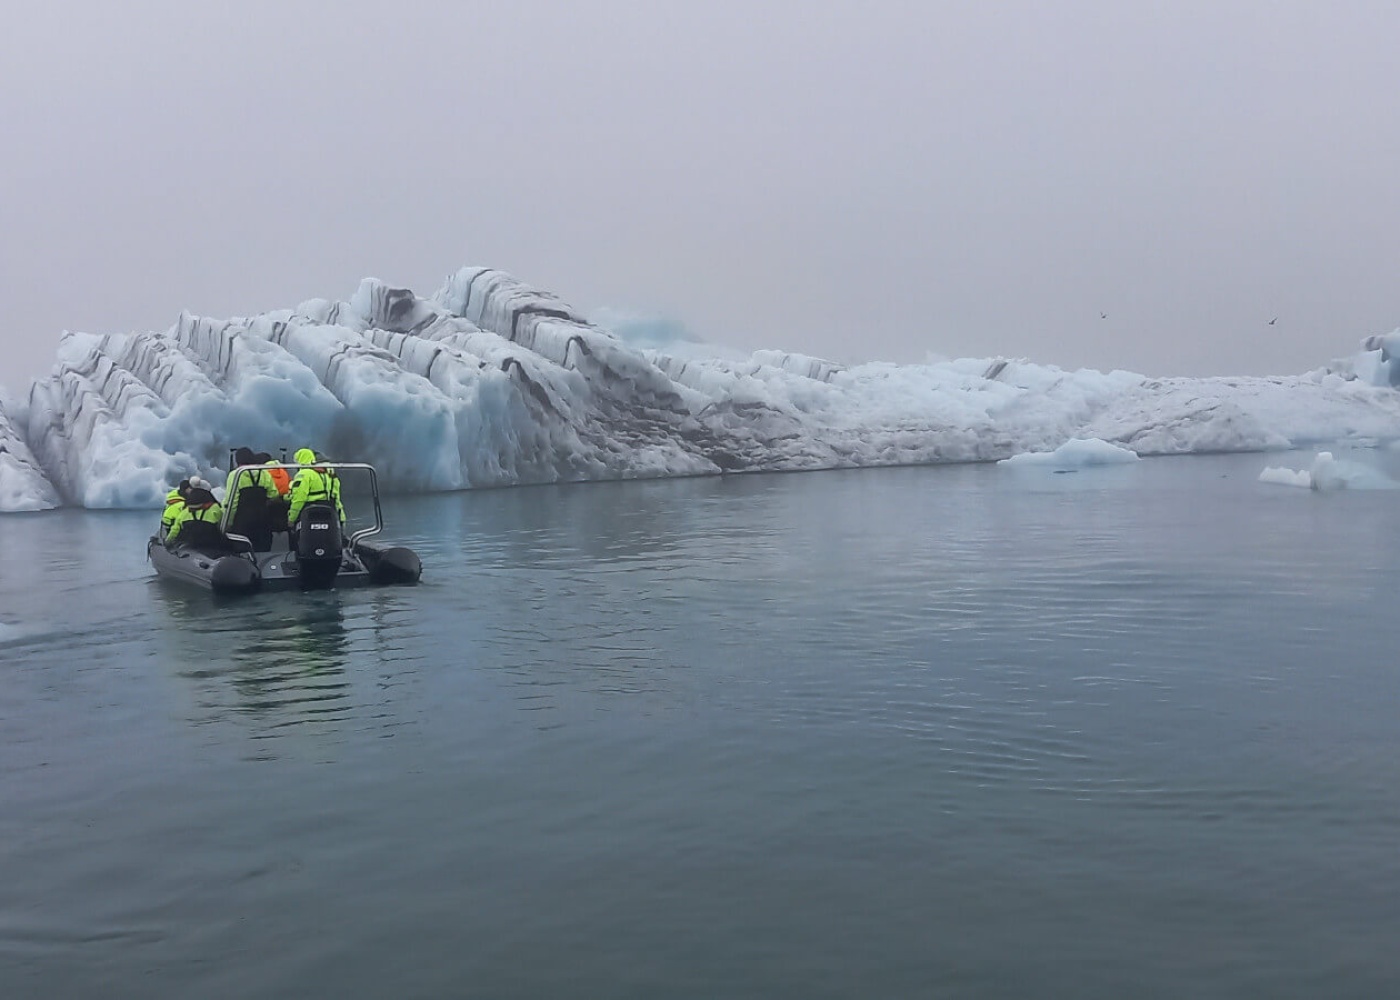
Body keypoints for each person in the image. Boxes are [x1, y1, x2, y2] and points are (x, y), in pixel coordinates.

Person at [224, 446, 282, 550]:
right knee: (263, 551)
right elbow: (274, 495)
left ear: (238, 461)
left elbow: (231, 503)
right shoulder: (264, 473)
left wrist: (228, 523)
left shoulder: (235, 475)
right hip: (263, 519)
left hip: (242, 522)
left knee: (242, 552)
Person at [286, 447, 346, 530]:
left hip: (309, 514)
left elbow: (299, 499)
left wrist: (291, 519)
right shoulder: (330, 474)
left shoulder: (304, 474)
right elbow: (336, 498)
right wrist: (341, 519)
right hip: (329, 513)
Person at [165, 478, 225, 550]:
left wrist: (167, 541)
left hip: (192, 545)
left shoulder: (184, 512)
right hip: (212, 545)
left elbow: (175, 529)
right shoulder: (215, 508)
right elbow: (223, 525)